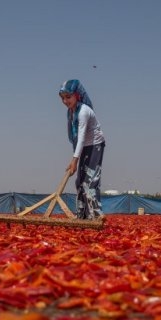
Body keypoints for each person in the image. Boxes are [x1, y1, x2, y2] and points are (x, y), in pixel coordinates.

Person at [58, 79, 105, 220]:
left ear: (77, 95)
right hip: (83, 146)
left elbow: (82, 137)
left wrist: (74, 160)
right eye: (63, 98)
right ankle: (82, 216)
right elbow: (75, 138)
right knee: (80, 182)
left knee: (91, 180)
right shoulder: (70, 112)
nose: (65, 101)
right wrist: (75, 160)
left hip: (95, 145)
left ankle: (96, 216)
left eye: (68, 97)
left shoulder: (83, 111)